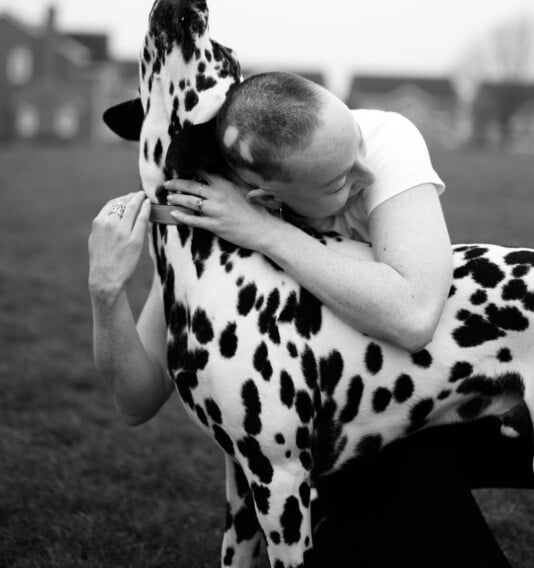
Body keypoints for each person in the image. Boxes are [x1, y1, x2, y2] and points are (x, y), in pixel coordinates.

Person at [88, 72, 531, 567]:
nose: (366, 175)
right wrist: (106, 290)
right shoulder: (219, 226)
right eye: (339, 183)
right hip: (382, 423)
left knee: (378, 479)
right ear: (265, 195)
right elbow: (137, 401)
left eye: (356, 146)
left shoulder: (385, 141)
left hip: (487, 362)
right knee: (367, 487)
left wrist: (265, 233)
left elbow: (413, 316)